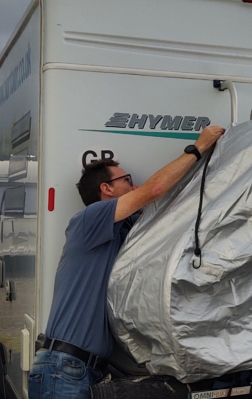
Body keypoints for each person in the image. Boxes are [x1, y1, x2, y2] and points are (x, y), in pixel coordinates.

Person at [28, 126, 225, 399]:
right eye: (127, 180)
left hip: (79, 369)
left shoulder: (119, 230)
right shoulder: (91, 218)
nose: (134, 186)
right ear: (106, 188)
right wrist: (198, 147)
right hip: (64, 369)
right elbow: (155, 189)